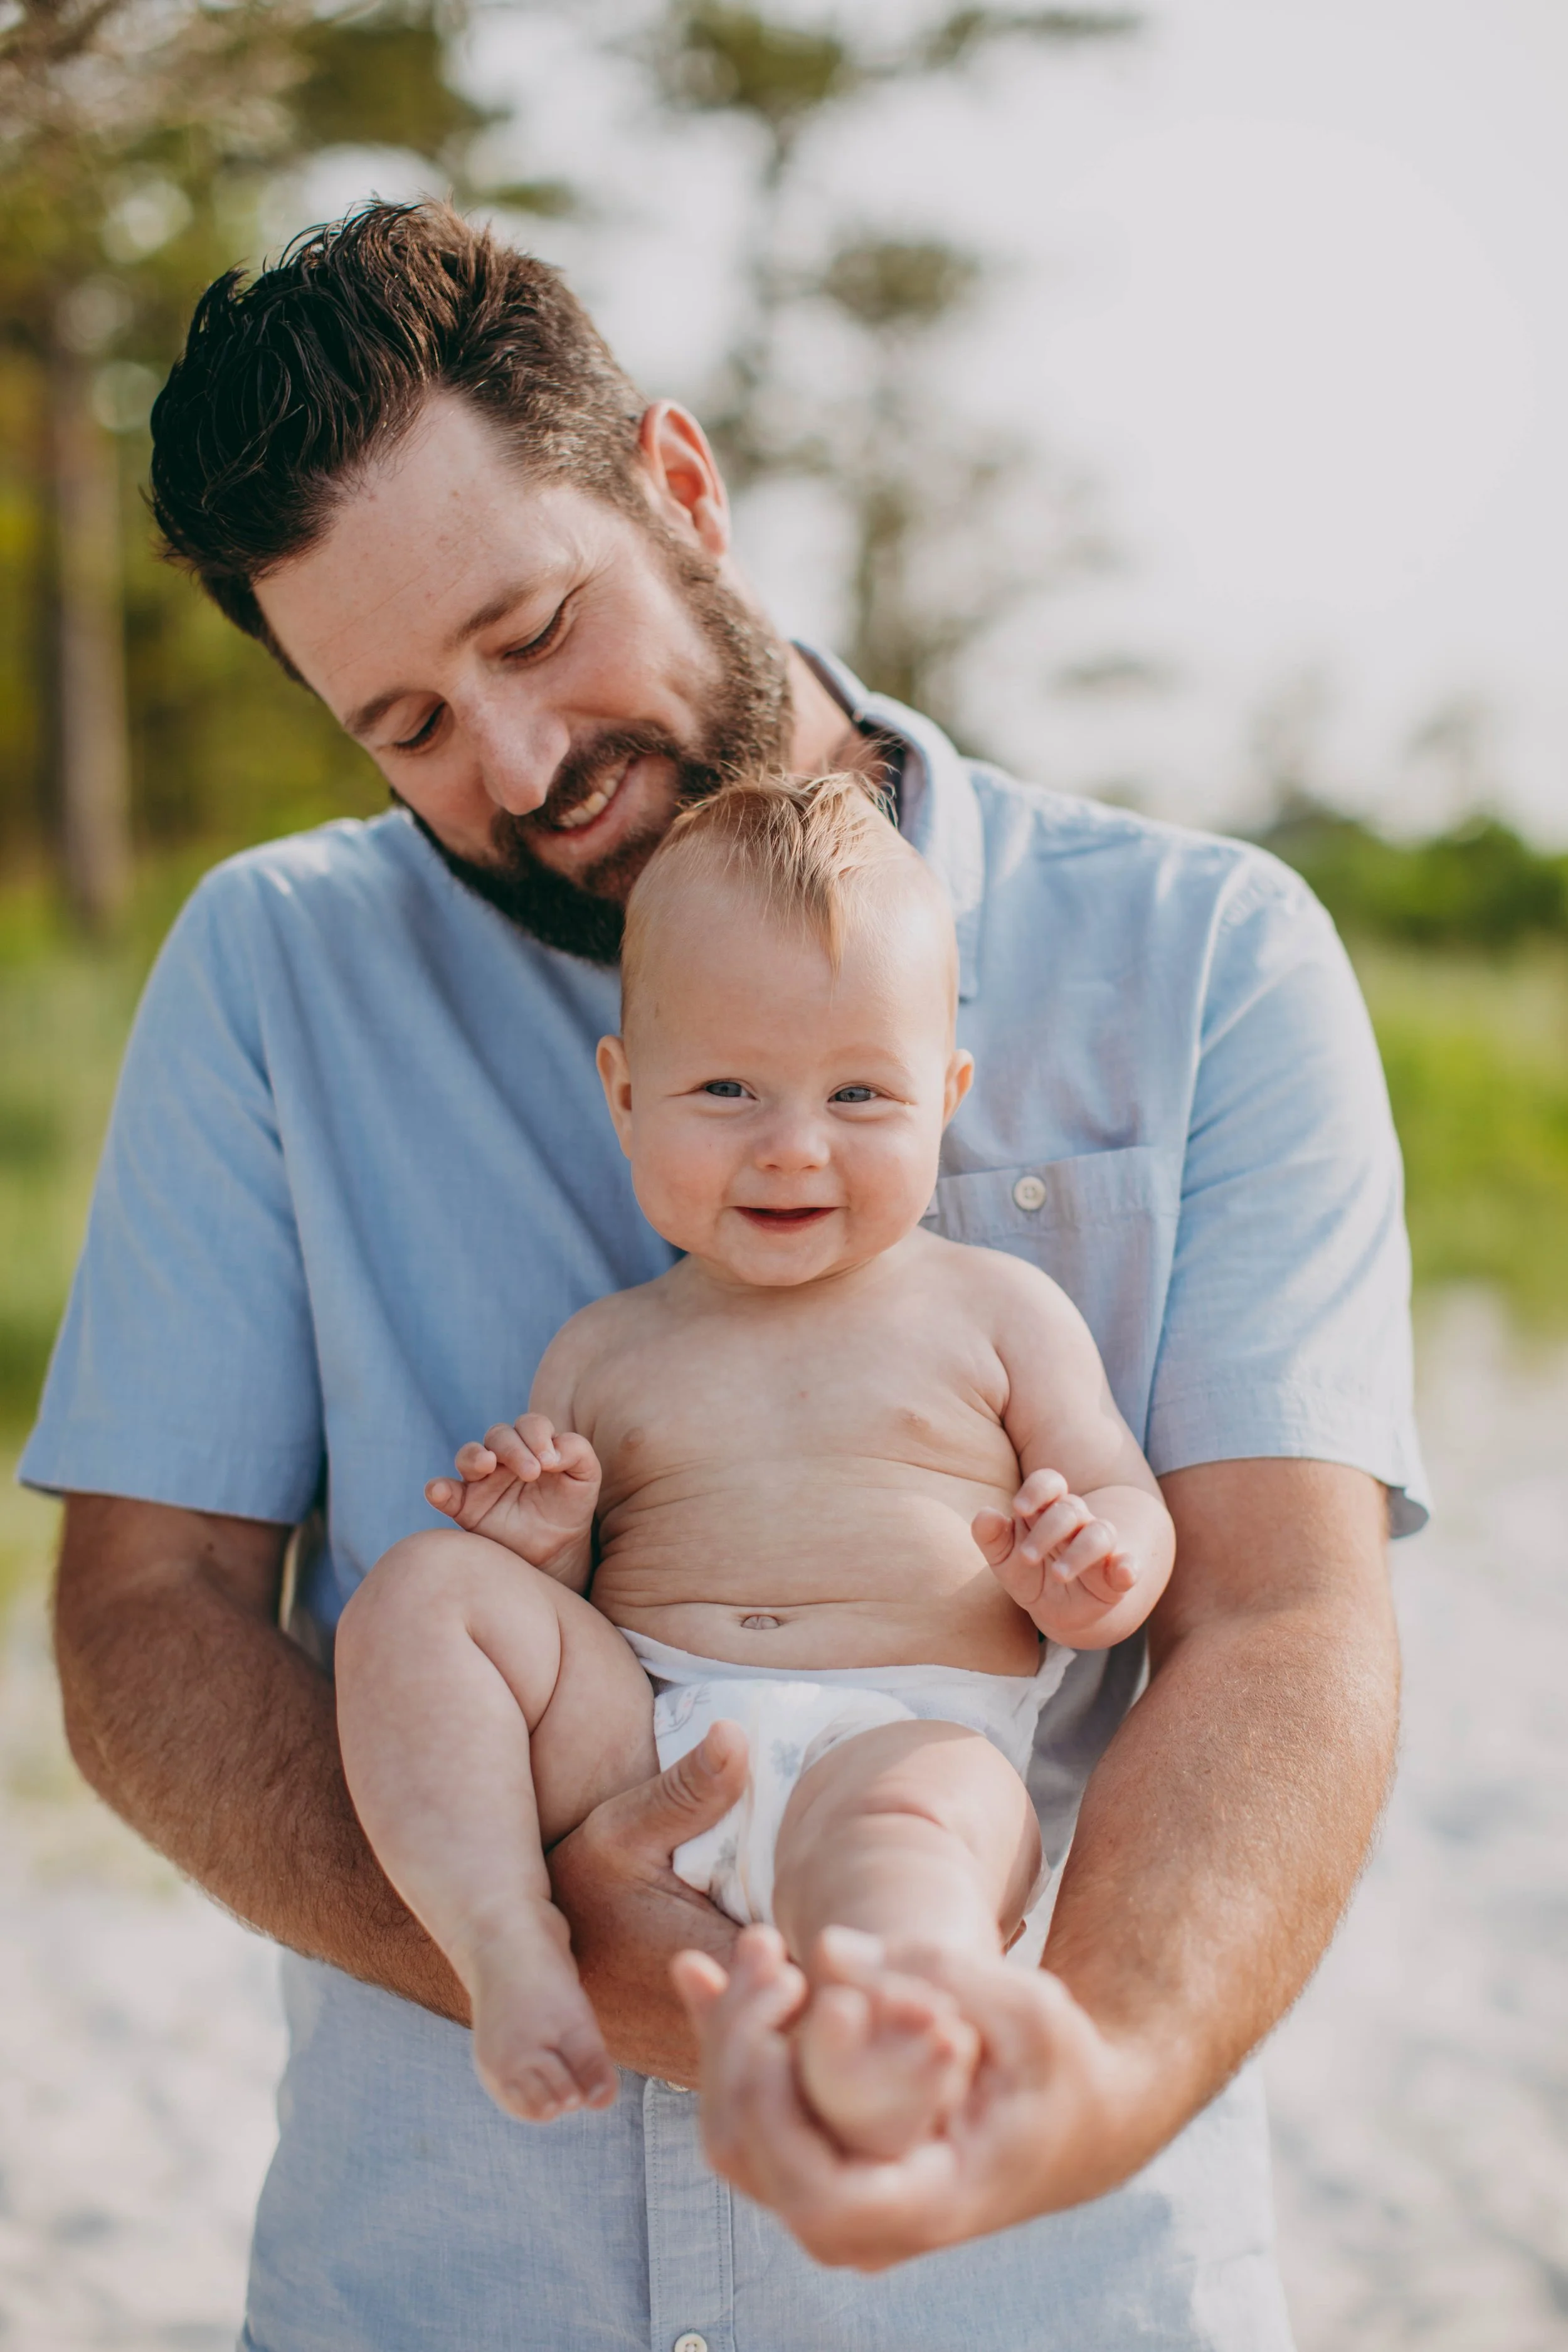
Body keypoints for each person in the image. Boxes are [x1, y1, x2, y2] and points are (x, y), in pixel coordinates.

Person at [24, 200, 1424, 2349]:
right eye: (400, 721)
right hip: (447, 2280)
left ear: (679, 487)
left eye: (532, 626)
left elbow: (1282, 1625)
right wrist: (569, 1965)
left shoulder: (1205, 956)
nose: (512, 767)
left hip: (1030, 2288)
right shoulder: (274, 972)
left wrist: (1098, 2083)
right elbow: (147, 1616)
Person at [335, 770, 1177, 2160]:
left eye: (859, 1092)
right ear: (623, 1094)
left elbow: (1119, 1495)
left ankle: (900, 2044)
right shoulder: (603, 1348)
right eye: (725, 1088)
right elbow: (564, 1613)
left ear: (945, 1096)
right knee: (421, 1594)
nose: (794, 1145)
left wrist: (1091, 1575)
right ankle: (501, 1938)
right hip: (636, 1735)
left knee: (922, 1837)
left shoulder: (994, 1311)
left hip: (898, 1732)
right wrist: (537, 1544)